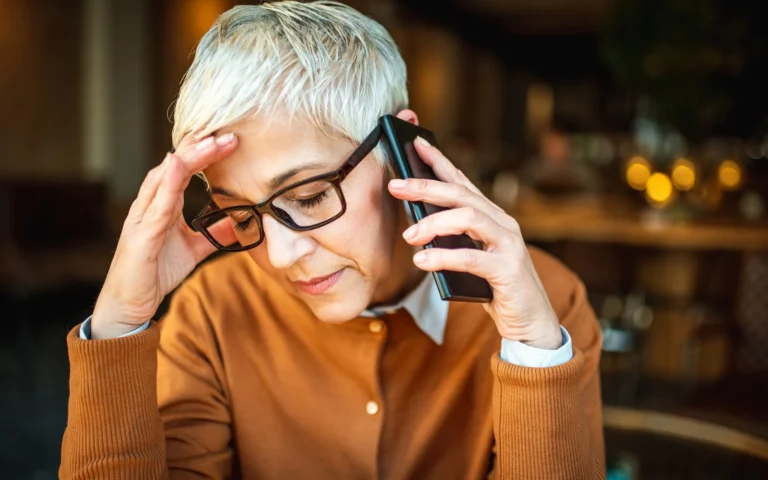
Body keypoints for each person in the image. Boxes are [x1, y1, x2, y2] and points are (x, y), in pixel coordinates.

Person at [59, 2, 604, 478]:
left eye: (312, 196)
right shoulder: (214, 311)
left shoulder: (545, 306)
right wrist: (119, 326)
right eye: (243, 214)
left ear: (403, 150)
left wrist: (535, 357)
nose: (279, 255)